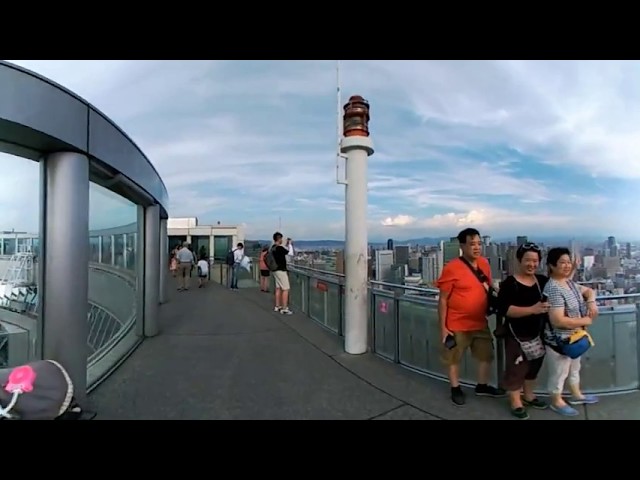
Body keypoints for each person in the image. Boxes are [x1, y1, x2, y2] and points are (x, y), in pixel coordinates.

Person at [436, 227, 506, 406]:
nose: (476, 247)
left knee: (486, 354)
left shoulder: (484, 263)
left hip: (479, 321)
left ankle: (482, 386)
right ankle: (455, 388)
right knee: (454, 357)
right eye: (472, 244)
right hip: (456, 323)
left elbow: (488, 286)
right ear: (462, 246)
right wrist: (443, 328)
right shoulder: (452, 268)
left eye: (479, 243)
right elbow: (443, 300)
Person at [543, 247, 599, 416]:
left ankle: (576, 395)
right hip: (560, 340)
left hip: (575, 336)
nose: (567, 266)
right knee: (560, 372)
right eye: (562, 263)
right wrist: (586, 321)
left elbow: (589, 291)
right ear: (552, 266)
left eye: (568, 262)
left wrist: (591, 302)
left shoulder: (568, 282)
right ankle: (556, 401)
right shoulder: (553, 288)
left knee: (575, 368)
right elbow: (557, 320)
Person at [497, 243, 550, 419]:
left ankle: (528, 395)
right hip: (516, 334)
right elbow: (506, 310)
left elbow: (559, 288)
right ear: (519, 260)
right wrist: (532, 309)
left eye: (535, 261)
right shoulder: (509, 284)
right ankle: (515, 400)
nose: (532, 264)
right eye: (528, 260)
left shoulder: (542, 281)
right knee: (516, 368)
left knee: (534, 366)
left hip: (538, 333)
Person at [271, 232, 293, 315]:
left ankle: (277, 306)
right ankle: (284, 308)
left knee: (278, 288)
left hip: (275, 270)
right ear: (279, 239)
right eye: (281, 239)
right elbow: (290, 253)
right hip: (281, 270)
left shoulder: (273, 248)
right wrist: (290, 244)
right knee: (285, 289)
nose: (282, 240)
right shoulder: (279, 248)